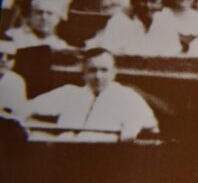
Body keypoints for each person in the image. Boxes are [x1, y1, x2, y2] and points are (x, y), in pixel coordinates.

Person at [24, 48, 158, 142]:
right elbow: (26, 109)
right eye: (92, 70)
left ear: (114, 72)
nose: (98, 76)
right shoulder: (69, 93)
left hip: (104, 159)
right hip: (63, 155)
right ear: (83, 71)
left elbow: (150, 126)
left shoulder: (127, 97)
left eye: (104, 70)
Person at [86, 0, 181, 56]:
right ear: (135, 1)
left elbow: (173, 53)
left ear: (160, 3)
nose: (148, 6)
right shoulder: (119, 21)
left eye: (153, 1)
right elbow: (110, 53)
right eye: (143, 1)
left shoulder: (167, 21)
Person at [0, 40, 28, 119]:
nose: (4, 60)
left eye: (10, 57)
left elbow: (19, 114)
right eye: (0, 55)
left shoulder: (16, 81)